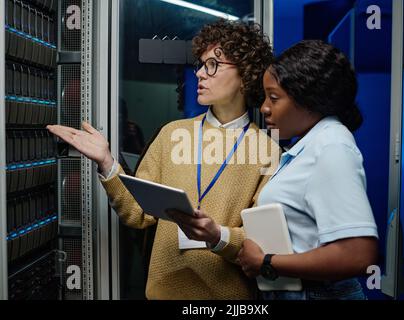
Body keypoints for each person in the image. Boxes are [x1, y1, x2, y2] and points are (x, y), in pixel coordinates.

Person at [47, 19, 277, 299]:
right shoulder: (172, 134)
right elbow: (136, 213)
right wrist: (106, 162)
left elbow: (262, 244)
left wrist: (217, 235)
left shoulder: (268, 151)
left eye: (213, 65)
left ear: (246, 74)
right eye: (201, 65)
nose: (201, 74)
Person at [237, 40, 379, 300]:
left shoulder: (331, 147)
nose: (264, 107)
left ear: (309, 99)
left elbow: (358, 254)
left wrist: (267, 261)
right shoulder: (308, 146)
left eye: (274, 97)